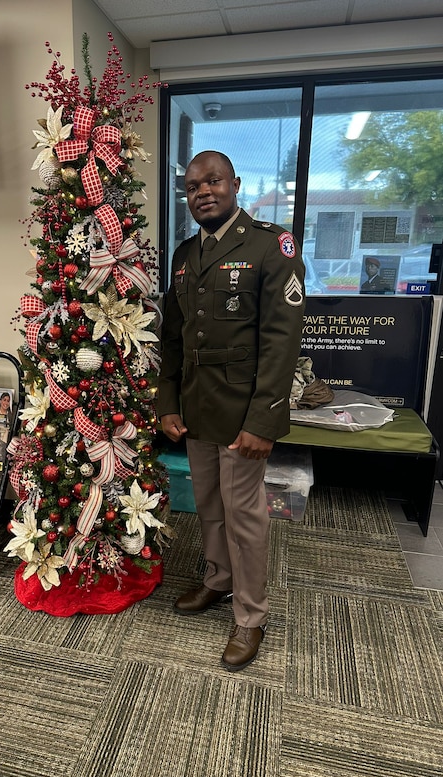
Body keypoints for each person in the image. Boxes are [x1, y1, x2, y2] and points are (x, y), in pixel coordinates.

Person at [157, 150, 305, 671]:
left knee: (244, 516)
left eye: (213, 181)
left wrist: (264, 421)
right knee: (208, 505)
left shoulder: (270, 246)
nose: (202, 192)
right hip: (197, 408)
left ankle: (250, 617)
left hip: (244, 412)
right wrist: (168, 402)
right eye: (193, 186)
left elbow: (281, 342)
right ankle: (218, 582)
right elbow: (173, 339)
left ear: (235, 183)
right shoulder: (183, 255)